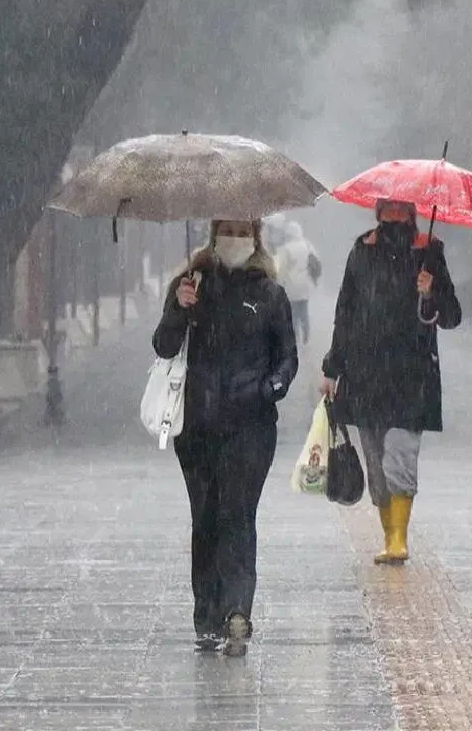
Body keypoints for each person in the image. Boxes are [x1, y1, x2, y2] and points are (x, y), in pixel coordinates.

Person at [152, 219, 299, 656]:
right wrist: (180, 308)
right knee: (206, 519)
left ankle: (237, 610)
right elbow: (163, 346)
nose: (234, 238)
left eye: (242, 230)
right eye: (227, 229)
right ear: (214, 234)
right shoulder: (191, 284)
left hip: (251, 427)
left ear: (255, 236)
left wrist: (268, 389)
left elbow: (287, 358)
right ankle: (207, 616)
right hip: (197, 426)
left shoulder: (269, 294)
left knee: (238, 514)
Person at [320, 199, 461, 565]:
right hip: (366, 375)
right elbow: (345, 312)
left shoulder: (429, 251)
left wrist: (432, 291)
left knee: (400, 456)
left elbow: (452, 316)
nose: (395, 215)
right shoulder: (361, 251)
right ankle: (388, 536)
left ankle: (399, 539)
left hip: (412, 377)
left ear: (412, 213)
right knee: (376, 464)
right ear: (378, 211)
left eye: (401, 208)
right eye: (388, 208)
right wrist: (332, 368)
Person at [272, 220, 322, 345]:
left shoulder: (286, 248)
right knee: (303, 310)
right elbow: (315, 261)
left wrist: (277, 283)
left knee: (293, 312)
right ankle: (306, 335)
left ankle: (295, 337)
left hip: (291, 285)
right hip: (306, 284)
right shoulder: (308, 245)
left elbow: (281, 269)